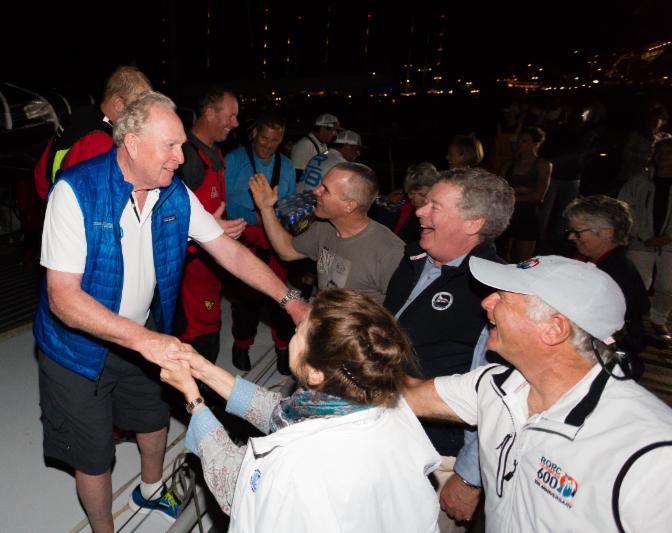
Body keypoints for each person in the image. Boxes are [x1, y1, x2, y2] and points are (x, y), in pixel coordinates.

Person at [33, 91, 308, 533]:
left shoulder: (174, 194)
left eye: (182, 145)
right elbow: (63, 299)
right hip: (76, 348)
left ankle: (150, 487)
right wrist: (148, 341)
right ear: (133, 143)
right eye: (171, 146)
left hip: (143, 335)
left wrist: (290, 300)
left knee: (154, 419)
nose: (182, 158)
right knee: (93, 454)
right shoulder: (76, 192)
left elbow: (229, 254)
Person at [403, 255, 672, 532]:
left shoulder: (648, 453)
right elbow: (410, 393)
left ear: (554, 329)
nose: (486, 302)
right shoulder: (498, 386)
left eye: (503, 297)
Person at [160, 289, 441, 532]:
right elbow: (280, 412)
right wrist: (203, 369)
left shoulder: (299, 465)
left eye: (299, 331)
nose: (294, 329)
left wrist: (193, 399)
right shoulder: (373, 396)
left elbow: (235, 489)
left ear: (315, 373)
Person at [383, 167, 515, 532]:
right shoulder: (414, 256)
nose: (421, 211)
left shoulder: (494, 292)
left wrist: (469, 477)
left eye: (434, 206)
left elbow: (492, 393)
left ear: (473, 223)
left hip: (436, 453)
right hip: (382, 428)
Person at [250, 162, 405, 305]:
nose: (316, 191)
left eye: (326, 190)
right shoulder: (324, 228)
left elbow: (402, 311)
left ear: (349, 206)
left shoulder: (390, 252)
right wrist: (266, 208)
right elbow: (287, 251)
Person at [175, 88, 246, 363]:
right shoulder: (186, 157)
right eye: (230, 116)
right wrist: (205, 231)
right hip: (190, 274)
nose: (236, 123)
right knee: (196, 341)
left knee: (211, 331)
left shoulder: (215, 153)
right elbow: (166, 221)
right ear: (208, 113)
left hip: (212, 267)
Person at [224, 114, 297, 373]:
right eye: (264, 137)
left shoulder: (286, 165)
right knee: (245, 302)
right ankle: (241, 345)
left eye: (275, 140)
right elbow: (224, 202)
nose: (268, 144)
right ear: (255, 133)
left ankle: (283, 347)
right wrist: (253, 215)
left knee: (280, 300)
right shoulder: (233, 160)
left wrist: (274, 216)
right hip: (245, 238)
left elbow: (290, 204)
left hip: (275, 241)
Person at [33, 66, 152, 201]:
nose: (143, 117)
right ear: (119, 104)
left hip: (51, 199)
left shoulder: (81, 115)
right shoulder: (99, 141)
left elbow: (41, 174)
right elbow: (91, 202)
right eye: (138, 108)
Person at [564, 195, 649, 374]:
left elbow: (613, 337)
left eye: (578, 232)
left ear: (607, 233)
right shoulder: (596, 261)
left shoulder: (614, 275)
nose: (571, 237)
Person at [619, 137, 672, 343]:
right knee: (637, 283)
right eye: (660, 152)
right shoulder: (639, 180)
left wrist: (667, 237)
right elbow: (625, 207)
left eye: (668, 152)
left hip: (669, 244)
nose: (663, 157)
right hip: (642, 240)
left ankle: (659, 320)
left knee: (668, 286)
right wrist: (643, 234)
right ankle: (630, 321)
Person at [500, 126, 552, 262]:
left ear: (536, 143)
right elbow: (499, 192)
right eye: (518, 140)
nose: (519, 144)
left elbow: (538, 196)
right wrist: (522, 190)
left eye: (524, 141)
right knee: (502, 256)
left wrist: (514, 193)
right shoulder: (509, 164)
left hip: (528, 215)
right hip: (507, 214)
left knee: (523, 260)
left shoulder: (543, 164)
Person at [298, 129, 363, 192]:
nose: (358, 153)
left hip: (298, 197)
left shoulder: (319, 155)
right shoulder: (342, 165)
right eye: (356, 149)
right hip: (313, 201)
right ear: (347, 146)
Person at [289, 113, 340, 181]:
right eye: (333, 130)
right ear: (322, 128)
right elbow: (296, 175)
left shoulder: (323, 144)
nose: (335, 134)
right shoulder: (305, 145)